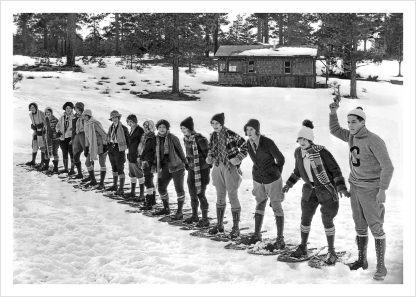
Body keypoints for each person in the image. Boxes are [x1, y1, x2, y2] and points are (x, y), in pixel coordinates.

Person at [329, 104, 394, 280]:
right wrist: (333, 113)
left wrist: (383, 190)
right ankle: (361, 260)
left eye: (354, 122)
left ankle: (381, 267)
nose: (350, 125)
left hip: (371, 188)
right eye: (348, 122)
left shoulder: (374, 140)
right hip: (355, 186)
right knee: (359, 224)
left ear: (363, 122)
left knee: (375, 225)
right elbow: (335, 130)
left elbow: (388, 166)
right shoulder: (351, 136)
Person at [282, 119, 350, 265]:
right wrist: (288, 184)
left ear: (310, 140)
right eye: (300, 138)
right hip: (309, 191)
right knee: (305, 219)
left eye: (305, 139)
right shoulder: (298, 153)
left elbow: (335, 170)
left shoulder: (322, 152)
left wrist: (341, 187)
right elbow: (297, 171)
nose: (302, 141)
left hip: (326, 190)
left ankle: (331, 251)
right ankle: (303, 246)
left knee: (327, 220)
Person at [243, 119, 286, 247]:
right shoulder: (248, 143)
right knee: (260, 203)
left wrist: (275, 171)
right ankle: (257, 234)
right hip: (257, 178)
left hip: (272, 179)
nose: (249, 132)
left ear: (257, 130)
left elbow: (281, 158)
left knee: (276, 205)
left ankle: (280, 239)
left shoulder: (267, 142)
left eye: (251, 129)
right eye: (247, 129)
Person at [206, 112, 248, 238]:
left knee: (232, 195)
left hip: (230, 167)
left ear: (222, 123)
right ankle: (219, 224)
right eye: (213, 123)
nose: (215, 126)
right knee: (220, 195)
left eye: (217, 123)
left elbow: (245, 147)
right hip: (218, 167)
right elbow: (211, 150)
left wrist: (238, 158)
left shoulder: (231, 134)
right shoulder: (213, 136)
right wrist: (210, 157)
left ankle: (236, 227)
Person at [180, 117, 211, 227]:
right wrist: (187, 164)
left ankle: (205, 218)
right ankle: (194, 215)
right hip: (192, 169)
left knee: (200, 193)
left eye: (184, 128)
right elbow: (188, 154)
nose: (183, 130)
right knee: (192, 192)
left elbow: (208, 155)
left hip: (202, 170)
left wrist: (205, 166)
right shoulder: (186, 139)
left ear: (190, 128)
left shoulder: (200, 139)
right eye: (181, 128)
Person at [154, 119, 187, 218]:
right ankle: (166, 208)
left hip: (177, 167)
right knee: (161, 187)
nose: (161, 129)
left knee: (179, 189)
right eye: (159, 127)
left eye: (164, 127)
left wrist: (185, 162)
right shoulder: (156, 139)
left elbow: (180, 151)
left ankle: (179, 212)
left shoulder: (173, 138)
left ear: (167, 128)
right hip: (164, 167)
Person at [106, 110, 130, 195]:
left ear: (118, 118)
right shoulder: (111, 127)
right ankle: (115, 185)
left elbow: (128, 140)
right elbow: (108, 136)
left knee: (120, 168)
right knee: (114, 167)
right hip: (111, 148)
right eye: (113, 117)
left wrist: (123, 147)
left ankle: (121, 188)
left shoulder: (123, 128)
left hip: (119, 149)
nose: (114, 119)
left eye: (116, 117)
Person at [83, 109, 108, 188]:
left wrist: (105, 145)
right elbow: (87, 137)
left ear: (88, 116)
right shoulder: (86, 124)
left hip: (101, 145)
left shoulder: (95, 123)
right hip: (93, 146)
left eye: (85, 115)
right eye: (84, 115)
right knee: (87, 162)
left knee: (102, 163)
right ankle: (93, 180)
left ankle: (101, 183)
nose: (84, 117)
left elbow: (103, 134)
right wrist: (86, 147)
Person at [125, 114, 145, 201]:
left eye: (131, 121)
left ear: (135, 121)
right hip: (131, 155)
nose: (130, 123)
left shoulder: (140, 130)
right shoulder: (131, 130)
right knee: (132, 174)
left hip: (136, 156)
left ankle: (141, 195)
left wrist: (139, 156)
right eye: (128, 122)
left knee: (139, 174)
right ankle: (132, 192)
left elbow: (142, 144)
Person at [138, 120, 157, 210]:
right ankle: (152, 200)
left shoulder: (152, 138)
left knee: (148, 181)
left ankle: (149, 202)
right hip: (145, 160)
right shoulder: (145, 137)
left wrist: (151, 162)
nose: (145, 129)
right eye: (144, 127)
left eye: (147, 127)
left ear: (151, 128)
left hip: (148, 162)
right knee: (149, 180)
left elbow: (153, 151)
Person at [26, 102, 48, 167]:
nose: (32, 108)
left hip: (41, 132)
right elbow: (33, 122)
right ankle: (33, 161)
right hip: (35, 132)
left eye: (33, 107)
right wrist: (32, 126)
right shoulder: (30, 114)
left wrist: (42, 125)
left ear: (36, 107)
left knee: (42, 146)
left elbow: (46, 121)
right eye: (31, 107)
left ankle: (42, 162)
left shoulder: (41, 113)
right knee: (34, 146)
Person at [56, 101, 75, 175]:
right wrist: (58, 131)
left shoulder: (74, 117)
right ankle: (66, 169)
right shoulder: (62, 117)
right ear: (65, 109)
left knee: (72, 154)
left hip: (70, 138)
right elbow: (57, 126)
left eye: (70, 108)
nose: (68, 109)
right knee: (64, 153)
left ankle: (72, 169)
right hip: (62, 138)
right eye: (67, 108)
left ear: (72, 109)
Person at [71, 102, 86, 179]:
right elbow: (73, 129)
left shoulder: (86, 116)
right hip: (77, 136)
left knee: (88, 154)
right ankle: (79, 173)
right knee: (75, 155)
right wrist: (72, 138)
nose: (75, 110)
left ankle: (91, 175)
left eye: (76, 108)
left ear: (80, 108)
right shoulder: (74, 117)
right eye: (75, 108)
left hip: (84, 135)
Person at [43, 107, 60, 173]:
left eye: (49, 112)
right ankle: (46, 165)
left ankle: (56, 167)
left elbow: (58, 129)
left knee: (55, 152)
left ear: (51, 112)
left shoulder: (55, 120)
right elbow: (45, 129)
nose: (47, 113)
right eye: (46, 112)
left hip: (55, 139)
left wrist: (54, 134)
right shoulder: (46, 119)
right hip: (48, 138)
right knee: (47, 151)